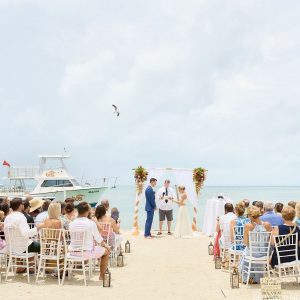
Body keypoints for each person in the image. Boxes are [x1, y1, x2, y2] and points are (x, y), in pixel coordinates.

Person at [69, 202, 110, 281]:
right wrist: (106, 246)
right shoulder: (91, 223)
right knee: (107, 251)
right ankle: (102, 276)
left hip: (72, 252)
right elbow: (99, 239)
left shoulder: (71, 223)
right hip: (86, 253)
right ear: (88, 211)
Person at [239, 206, 272, 284]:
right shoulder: (267, 224)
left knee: (245, 252)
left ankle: (248, 276)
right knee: (247, 251)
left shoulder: (248, 226)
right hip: (264, 254)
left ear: (250, 216)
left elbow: (246, 243)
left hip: (252, 254)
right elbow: (269, 241)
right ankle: (254, 277)